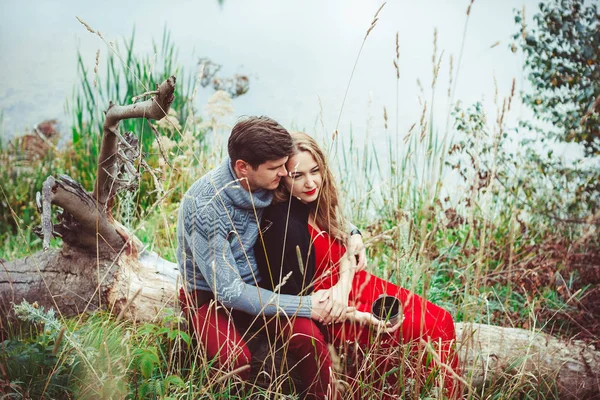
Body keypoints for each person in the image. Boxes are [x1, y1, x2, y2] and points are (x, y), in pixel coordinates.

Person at [176, 116, 377, 399]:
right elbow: (230, 291)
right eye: (276, 168)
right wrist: (307, 305)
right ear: (242, 168)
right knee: (234, 361)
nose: (285, 173)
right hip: (210, 296)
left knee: (307, 338)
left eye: (285, 166)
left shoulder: (270, 180)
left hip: (264, 287)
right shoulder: (206, 206)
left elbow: (317, 207)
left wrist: (353, 232)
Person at [255, 132, 461, 399]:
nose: (310, 182)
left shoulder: (315, 202)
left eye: (315, 171)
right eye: (298, 176)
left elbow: (344, 239)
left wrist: (354, 240)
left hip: (354, 285)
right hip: (334, 310)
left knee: (441, 319)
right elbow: (299, 298)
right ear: (283, 177)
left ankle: (449, 393)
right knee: (416, 330)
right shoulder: (284, 224)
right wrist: (360, 316)